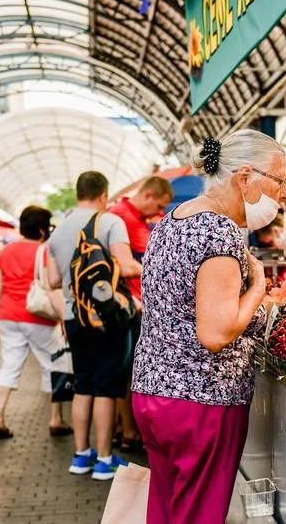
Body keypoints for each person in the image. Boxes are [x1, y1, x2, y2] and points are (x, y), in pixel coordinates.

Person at [131, 130, 278, 523]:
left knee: (166, 509)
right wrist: (259, 289)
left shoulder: (170, 221)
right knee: (198, 514)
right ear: (245, 177)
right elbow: (216, 333)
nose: (280, 197)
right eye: (279, 183)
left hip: (153, 392)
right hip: (202, 402)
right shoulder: (218, 231)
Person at [46, 171, 142, 481]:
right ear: (104, 194)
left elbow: (53, 280)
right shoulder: (109, 221)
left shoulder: (58, 231)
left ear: (78, 193)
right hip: (106, 319)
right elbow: (126, 265)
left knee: (83, 385)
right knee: (106, 388)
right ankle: (103, 460)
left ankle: (80, 455)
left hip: (74, 318)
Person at [0, 206, 70, 440]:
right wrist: (63, 317)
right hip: (37, 316)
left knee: (10, 365)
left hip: (8, 315)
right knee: (54, 363)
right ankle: (56, 419)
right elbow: (51, 285)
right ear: (43, 229)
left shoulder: (6, 251)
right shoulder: (44, 251)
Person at [108, 176, 173, 451]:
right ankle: (129, 432)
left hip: (135, 302)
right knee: (129, 371)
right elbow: (125, 266)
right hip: (131, 304)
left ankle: (123, 429)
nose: (158, 212)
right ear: (147, 195)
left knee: (128, 369)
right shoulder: (122, 218)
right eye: (157, 205)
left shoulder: (129, 216)